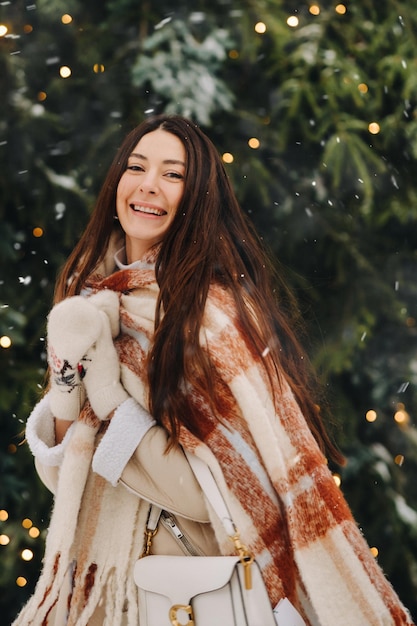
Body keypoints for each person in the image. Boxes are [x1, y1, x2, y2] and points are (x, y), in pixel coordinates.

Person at [14, 114, 413, 626]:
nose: (148, 185)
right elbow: (64, 481)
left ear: (197, 197)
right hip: (105, 598)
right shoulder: (91, 301)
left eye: (173, 174)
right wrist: (69, 384)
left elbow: (207, 496)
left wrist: (111, 397)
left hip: (186, 598)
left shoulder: (207, 317)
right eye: (136, 166)